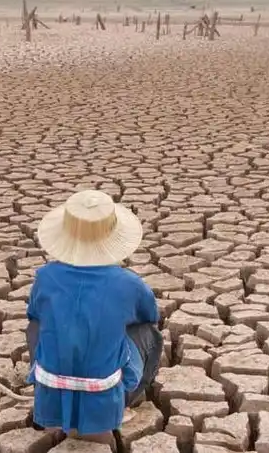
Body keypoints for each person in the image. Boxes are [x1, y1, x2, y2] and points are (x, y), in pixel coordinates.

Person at [25, 189, 162, 444]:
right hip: (104, 397)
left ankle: (52, 404)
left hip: (50, 390)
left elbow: (33, 315)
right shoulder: (128, 284)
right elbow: (150, 315)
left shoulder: (44, 277)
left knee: (36, 325)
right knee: (147, 333)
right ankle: (124, 401)